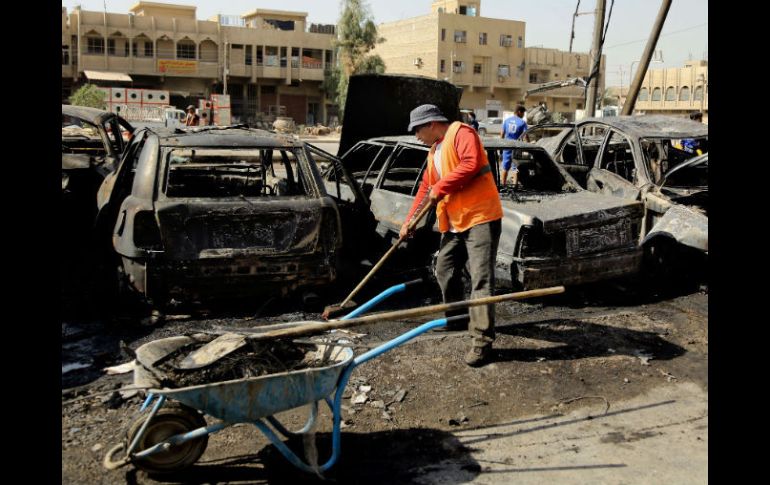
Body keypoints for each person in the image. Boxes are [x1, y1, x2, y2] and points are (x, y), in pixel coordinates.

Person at [400, 104, 503, 367]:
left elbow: (471, 164)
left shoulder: (462, 133)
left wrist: (441, 187)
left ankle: (482, 341)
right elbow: (426, 188)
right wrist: (410, 221)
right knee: (444, 269)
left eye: (417, 130)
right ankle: (457, 319)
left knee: (482, 280)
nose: (416, 136)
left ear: (432, 123)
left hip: (480, 217)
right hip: (456, 221)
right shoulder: (434, 151)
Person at [500, 105, 528, 185]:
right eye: (523, 113)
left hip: (506, 146)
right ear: (519, 112)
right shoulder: (522, 122)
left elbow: (502, 134)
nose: (523, 115)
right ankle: (515, 185)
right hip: (516, 147)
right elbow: (525, 135)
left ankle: (503, 185)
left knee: (505, 167)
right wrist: (528, 145)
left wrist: (501, 146)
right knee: (515, 167)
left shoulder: (507, 121)